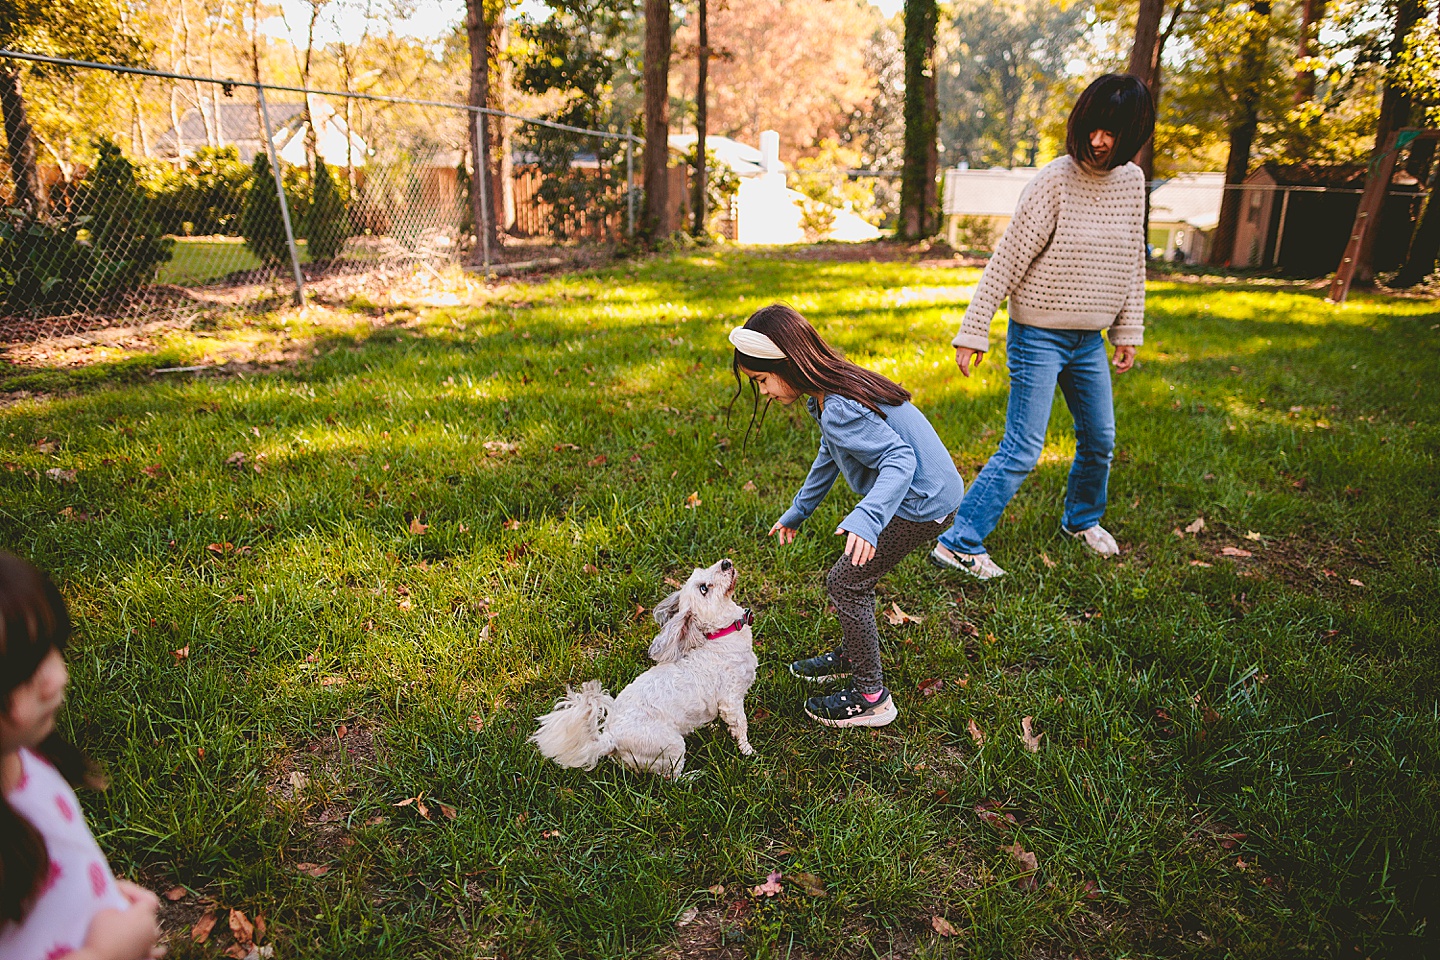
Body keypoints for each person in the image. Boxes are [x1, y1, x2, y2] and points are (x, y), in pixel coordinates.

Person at [931, 73, 1155, 580]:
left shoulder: (1132, 183)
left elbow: (1131, 264)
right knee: (1024, 446)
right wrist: (974, 328)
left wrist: (1127, 331)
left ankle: (1081, 519)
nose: (1099, 141)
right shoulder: (1055, 179)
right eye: (1093, 128)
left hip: (1089, 340)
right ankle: (958, 541)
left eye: (1113, 132)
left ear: (1133, 133)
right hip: (1038, 335)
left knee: (1100, 438)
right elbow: (1007, 256)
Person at [729, 305, 964, 728]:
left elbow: (899, 458)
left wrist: (868, 519)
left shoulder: (838, 406)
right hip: (930, 491)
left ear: (787, 363)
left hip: (923, 502)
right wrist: (799, 510)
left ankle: (871, 697)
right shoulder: (831, 392)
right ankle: (857, 651)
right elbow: (832, 453)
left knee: (847, 582)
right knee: (851, 580)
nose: (763, 391)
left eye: (762, 380)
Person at [0, 552, 164, 960]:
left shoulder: (22, 758)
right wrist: (106, 952)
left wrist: (95, 896)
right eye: (21, 671)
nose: (56, 678)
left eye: (51, 649)